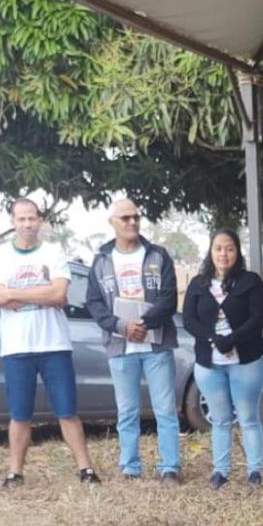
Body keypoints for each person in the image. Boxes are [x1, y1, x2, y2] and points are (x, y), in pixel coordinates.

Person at [0, 197, 100, 488]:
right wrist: (41, 293)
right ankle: (15, 472)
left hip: (54, 345)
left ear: (40, 220)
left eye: (31, 218)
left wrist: (14, 293)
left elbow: (59, 295)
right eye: (21, 219)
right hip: (16, 348)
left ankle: (85, 469)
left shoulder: (53, 251)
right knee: (19, 415)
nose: (27, 224)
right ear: (13, 222)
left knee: (67, 411)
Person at [85, 199, 181, 484]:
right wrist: (121, 327)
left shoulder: (158, 255)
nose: (132, 222)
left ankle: (170, 467)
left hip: (156, 345)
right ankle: (130, 468)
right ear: (112, 223)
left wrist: (145, 324)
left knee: (165, 410)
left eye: (136, 217)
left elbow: (169, 298)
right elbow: (94, 303)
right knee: (127, 411)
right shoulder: (101, 260)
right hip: (120, 347)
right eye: (125, 218)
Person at [182, 228, 263, 489]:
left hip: (246, 362)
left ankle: (254, 471)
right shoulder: (198, 284)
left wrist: (232, 338)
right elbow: (189, 320)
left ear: (237, 252)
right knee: (220, 420)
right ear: (210, 252)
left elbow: (257, 318)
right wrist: (212, 338)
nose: (224, 254)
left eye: (230, 248)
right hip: (210, 364)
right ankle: (221, 471)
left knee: (248, 417)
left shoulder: (250, 282)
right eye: (218, 248)